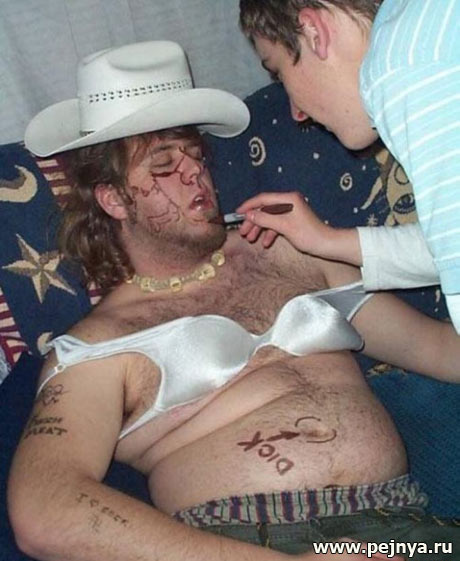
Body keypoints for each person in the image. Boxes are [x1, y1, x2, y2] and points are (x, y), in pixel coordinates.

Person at [7, 41, 460, 561]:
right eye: (164, 164)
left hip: (407, 530)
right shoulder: (100, 344)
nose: (194, 174)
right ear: (113, 199)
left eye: (196, 156)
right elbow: (46, 509)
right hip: (251, 541)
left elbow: (440, 350)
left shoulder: (289, 251)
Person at [238, 0, 460, 334]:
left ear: (314, 32)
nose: (297, 113)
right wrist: (326, 240)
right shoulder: (425, 31)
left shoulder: (404, 73)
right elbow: (448, 249)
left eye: (279, 73)